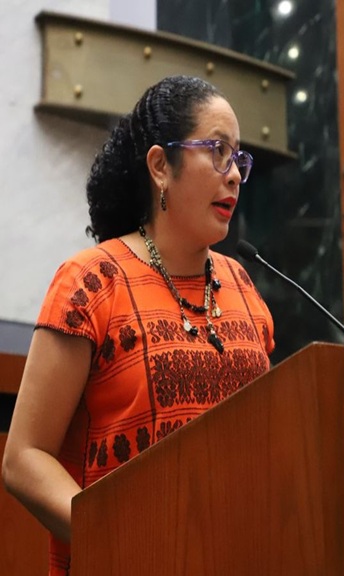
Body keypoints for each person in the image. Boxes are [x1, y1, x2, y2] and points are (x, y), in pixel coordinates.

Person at [2, 76, 275, 575]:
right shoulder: (91, 282)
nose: (233, 173)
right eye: (217, 150)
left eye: (238, 158)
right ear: (159, 166)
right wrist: (124, 535)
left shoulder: (242, 283)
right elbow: (24, 457)